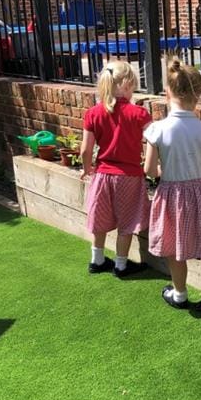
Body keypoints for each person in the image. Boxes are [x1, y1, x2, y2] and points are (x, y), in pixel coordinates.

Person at [143, 59, 201, 310]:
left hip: (173, 195)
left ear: (167, 92)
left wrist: (164, 169)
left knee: (175, 245)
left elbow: (149, 170)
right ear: (197, 95)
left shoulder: (158, 129)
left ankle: (180, 293)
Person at [80, 61, 151, 278]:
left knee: (99, 218)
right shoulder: (139, 114)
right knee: (127, 222)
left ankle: (97, 259)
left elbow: (85, 149)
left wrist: (87, 168)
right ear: (128, 85)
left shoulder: (93, 113)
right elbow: (154, 142)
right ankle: (121, 265)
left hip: (102, 174)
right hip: (129, 176)